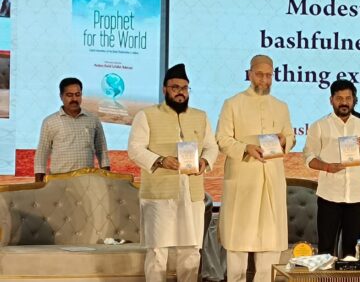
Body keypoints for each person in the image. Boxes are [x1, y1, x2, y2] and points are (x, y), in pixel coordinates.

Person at [127, 64, 219, 282]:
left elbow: (211, 146)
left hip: (192, 194)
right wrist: (160, 160)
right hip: (159, 195)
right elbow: (135, 149)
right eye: (175, 87)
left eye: (185, 88)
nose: (180, 92)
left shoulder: (200, 116)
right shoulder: (146, 115)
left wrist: (205, 161)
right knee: (158, 251)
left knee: (191, 251)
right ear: (164, 89)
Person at [216, 55, 295, 282]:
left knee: (269, 247)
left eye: (269, 75)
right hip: (243, 182)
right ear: (250, 74)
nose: (264, 80)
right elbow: (221, 138)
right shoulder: (233, 103)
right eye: (260, 74)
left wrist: (283, 140)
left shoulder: (281, 106)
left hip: (271, 180)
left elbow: (290, 136)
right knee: (238, 245)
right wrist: (245, 148)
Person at [303, 79, 360, 257]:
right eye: (339, 98)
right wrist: (327, 166)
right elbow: (308, 158)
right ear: (331, 100)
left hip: (355, 196)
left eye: (348, 98)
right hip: (329, 194)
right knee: (326, 249)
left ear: (354, 100)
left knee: (351, 251)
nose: (344, 102)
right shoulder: (319, 126)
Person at [34, 77, 110, 182]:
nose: (74, 99)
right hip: (59, 182)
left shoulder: (93, 119)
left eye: (77, 94)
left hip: (87, 181)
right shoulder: (50, 122)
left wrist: (108, 179)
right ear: (61, 96)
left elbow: (102, 151)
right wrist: (38, 184)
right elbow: (42, 154)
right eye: (69, 95)